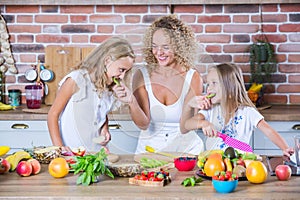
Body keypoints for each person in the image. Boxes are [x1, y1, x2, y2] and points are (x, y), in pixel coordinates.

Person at [114, 14, 204, 155]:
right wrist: (131, 101)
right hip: (148, 152)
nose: (159, 52)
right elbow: (143, 124)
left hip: (185, 152)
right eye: (155, 46)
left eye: (166, 47)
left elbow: (187, 127)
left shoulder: (193, 77)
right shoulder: (142, 75)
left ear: (180, 47)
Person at [180, 63, 294, 158]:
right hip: (212, 164)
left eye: (214, 83)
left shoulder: (247, 112)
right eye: (208, 84)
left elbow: (269, 131)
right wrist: (203, 123)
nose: (208, 88)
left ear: (230, 87)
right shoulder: (210, 110)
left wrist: (285, 148)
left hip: (240, 164)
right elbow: (187, 124)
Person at [47, 36, 135, 152]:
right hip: (71, 154)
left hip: (96, 154)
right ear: (107, 61)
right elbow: (53, 114)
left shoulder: (109, 87)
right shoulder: (77, 79)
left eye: (126, 71)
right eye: (121, 70)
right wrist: (59, 148)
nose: (123, 76)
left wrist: (104, 129)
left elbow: (100, 112)